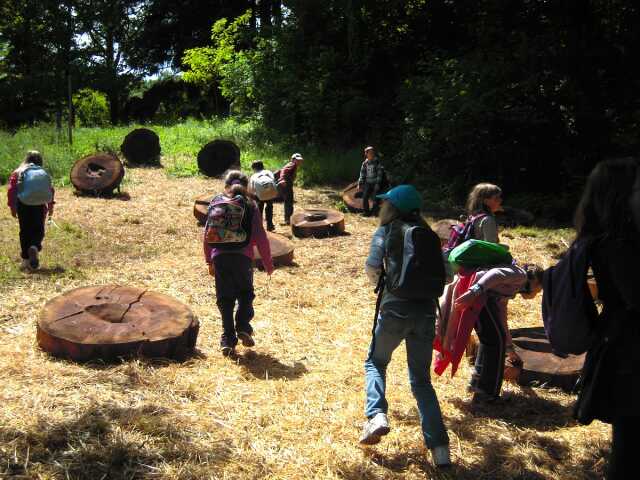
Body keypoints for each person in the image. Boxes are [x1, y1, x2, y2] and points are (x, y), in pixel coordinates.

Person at [360, 184, 451, 468]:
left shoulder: (386, 232)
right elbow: (447, 276)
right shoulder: (431, 237)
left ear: (393, 208)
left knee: (376, 362)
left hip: (394, 309)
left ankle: (376, 416)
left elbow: (372, 266)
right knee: (421, 382)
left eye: (386, 203)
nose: (382, 206)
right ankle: (441, 451)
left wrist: (383, 286)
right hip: (425, 313)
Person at [572, 157, 640, 479]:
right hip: (629, 353)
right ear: (623, 193)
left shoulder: (614, 240)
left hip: (622, 344)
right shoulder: (619, 244)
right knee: (629, 449)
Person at [203, 170, 274, 356]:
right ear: (248, 186)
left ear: (226, 185)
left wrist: (208, 260)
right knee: (245, 293)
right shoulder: (251, 205)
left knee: (225, 298)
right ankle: (242, 325)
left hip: (219, 256)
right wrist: (268, 263)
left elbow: (207, 235)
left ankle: (227, 339)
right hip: (243, 257)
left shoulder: (216, 202)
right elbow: (260, 236)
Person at [452, 263, 543, 402]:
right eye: (539, 289)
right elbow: (495, 274)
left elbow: (502, 319)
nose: (537, 294)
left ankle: (476, 384)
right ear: (535, 281)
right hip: (475, 296)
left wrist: (510, 348)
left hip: (478, 298)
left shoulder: (509, 290)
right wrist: (472, 293)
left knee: (493, 340)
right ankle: (486, 395)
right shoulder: (519, 275)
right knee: (494, 342)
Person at [6, 150, 55, 271]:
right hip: (39, 205)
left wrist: (12, 207)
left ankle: (26, 260)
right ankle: (34, 246)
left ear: (26, 159)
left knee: (25, 231)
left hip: (23, 204)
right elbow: (50, 189)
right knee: (38, 229)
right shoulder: (42, 172)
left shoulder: (18, 172)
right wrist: (50, 206)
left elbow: (12, 190)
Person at [276, 153, 303, 225]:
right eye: (297, 160)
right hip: (285, 184)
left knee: (288, 201)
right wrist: (282, 179)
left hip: (287, 184)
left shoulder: (294, 165)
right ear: (293, 159)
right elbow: (283, 171)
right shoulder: (292, 164)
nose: (299, 161)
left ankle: (288, 219)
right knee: (288, 202)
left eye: (300, 160)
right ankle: (288, 219)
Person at [249, 160, 277, 231]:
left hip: (260, 195)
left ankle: (259, 226)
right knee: (269, 208)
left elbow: (252, 189)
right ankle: (270, 225)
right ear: (263, 166)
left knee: (259, 209)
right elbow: (273, 182)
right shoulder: (269, 172)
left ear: (254, 168)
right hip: (270, 193)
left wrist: (254, 197)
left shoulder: (253, 176)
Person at [358, 146, 386, 216]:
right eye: (370, 153)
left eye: (372, 153)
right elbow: (362, 174)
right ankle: (366, 212)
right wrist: (360, 183)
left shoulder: (377, 162)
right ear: (366, 154)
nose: (372, 154)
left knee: (375, 198)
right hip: (368, 183)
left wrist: (377, 184)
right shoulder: (365, 163)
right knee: (365, 197)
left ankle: (375, 213)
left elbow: (380, 173)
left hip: (375, 182)